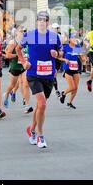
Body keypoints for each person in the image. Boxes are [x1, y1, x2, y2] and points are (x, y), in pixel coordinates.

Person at [17, 11, 62, 148]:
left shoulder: (54, 37)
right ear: (37, 22)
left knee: (39, 107)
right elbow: (18, 49)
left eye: (45, 20)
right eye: (40, 20)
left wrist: (57, 53)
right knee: (42, 104)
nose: (42, 22)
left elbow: (60, 52)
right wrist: (24, 62)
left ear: (48, 22)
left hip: (48, 76)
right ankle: (40, 135)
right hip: (33, 74)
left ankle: (31, 129)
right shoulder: (29, 35)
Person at [3, 27, 33, 113]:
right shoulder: (13, 42)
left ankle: (27, 105)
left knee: (25, 84)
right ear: (16, 33)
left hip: (24, 66)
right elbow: (7, 55)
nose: (23, 33)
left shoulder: (27, 42)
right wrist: (17, 55)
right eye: (21, 31)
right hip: (15, 66)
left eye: (25, 31)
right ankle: (7, 95)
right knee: (12, 85)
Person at [59, 33, 83, 109]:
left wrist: (84, 58)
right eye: (73, 38)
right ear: (69, 39)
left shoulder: (77, 47)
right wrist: (64, 59)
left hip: (76, 69)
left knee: (76, 87)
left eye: (76, 38)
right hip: (67, 69)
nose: (75, 39)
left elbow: (82, 58)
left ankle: (70, 102)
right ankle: (63, 93)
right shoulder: (65, 47)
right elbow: (59, 57)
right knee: (72, 87)